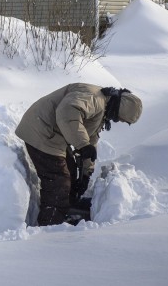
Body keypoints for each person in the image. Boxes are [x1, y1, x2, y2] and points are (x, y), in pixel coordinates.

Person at [16, 83, 143, 226]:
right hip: (41, 131)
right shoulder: (95, 99)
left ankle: (66, 208)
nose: (118, 121)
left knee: (70, 171)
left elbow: (91, 138)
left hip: (52, 134)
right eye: (120, 118)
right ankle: (49, 226)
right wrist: (82, 145)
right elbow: (66, 113)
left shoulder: (103, 105)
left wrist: (85, 173)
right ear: (119, 109)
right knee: (59, 182)